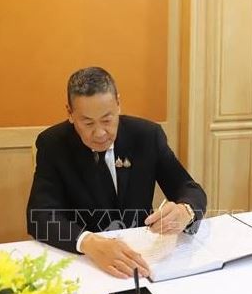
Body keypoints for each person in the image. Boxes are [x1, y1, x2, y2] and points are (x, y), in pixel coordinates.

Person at [26, 67, 207, 278]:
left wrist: (186, 210)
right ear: (70, 113)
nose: (100, 133)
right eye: (87, 123)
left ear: (118, 104)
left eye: (107, 119)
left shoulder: (147, 135)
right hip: (84, 262)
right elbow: (39, 216)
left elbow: (188, 188)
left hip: (142, 256)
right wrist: (88, 242)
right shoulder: (53, 144)